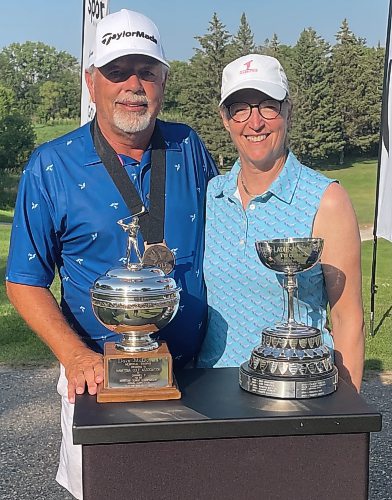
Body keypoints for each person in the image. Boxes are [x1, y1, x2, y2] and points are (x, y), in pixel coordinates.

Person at [6, 9, 217, 499]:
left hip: (198, 378)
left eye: (147, 71)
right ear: (92, 80)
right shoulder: (51, 165)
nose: (133, 85)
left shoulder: (189, 146)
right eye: (117, 71)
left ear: (164, 79)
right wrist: (74, 356)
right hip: (97, 383)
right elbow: (23, 280)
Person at [196, 54, 364, 393]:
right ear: (225, 119)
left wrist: (344, 417)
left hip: (298, 392)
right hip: (215, 391)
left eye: (267, 106)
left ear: (287, 110)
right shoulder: (212, 195)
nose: (254, 123)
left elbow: (348, 318)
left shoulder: (326, 199)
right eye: (240, 108)